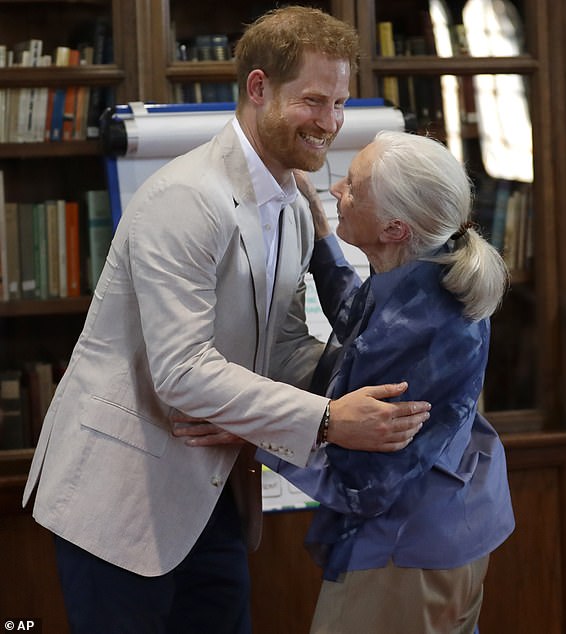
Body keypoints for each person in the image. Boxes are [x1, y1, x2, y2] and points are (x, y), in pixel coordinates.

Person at [21, 8, 430, 634]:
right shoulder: (187, 196)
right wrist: (327, 421)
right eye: (314, 101)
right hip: (120, 499)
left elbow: (286, 346)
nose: (330, 124)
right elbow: (182, 373)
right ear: (259, 88)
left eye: (341, 103)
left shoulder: (295, 208)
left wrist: (376, 376)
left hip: (215, 493)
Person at [259, 130, 516, 634]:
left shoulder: (418, 326)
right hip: (448, 530)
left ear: (395, 228)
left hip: (403, 552)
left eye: (352, 189)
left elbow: (363, 481)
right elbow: (363, 320)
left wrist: (251, 429)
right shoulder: (428, 272)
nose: (335, 192)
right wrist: (321, 240)